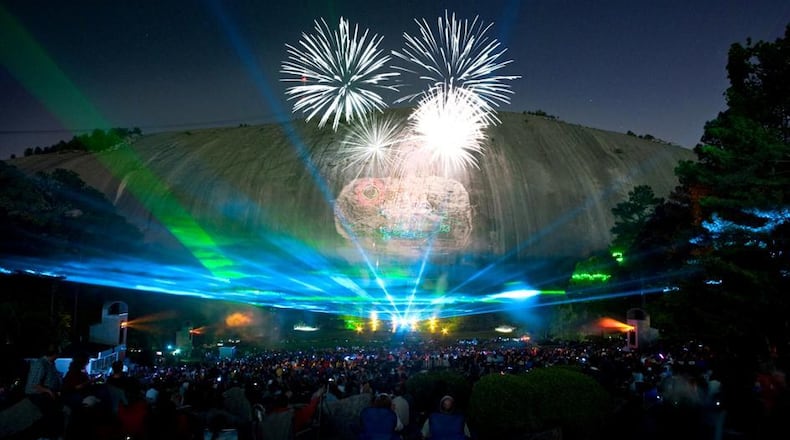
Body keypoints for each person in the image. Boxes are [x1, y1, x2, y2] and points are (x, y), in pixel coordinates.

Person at [24, 343, 64, 440]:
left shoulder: (51, 363)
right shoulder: (41, 363)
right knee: (50, 410)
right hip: (36, 393)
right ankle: (46, 435)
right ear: (54, 353)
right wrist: (48, 391)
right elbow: (35, 384)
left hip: (48, 391)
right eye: (58, 353)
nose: (60, 355)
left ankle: (54, 433)